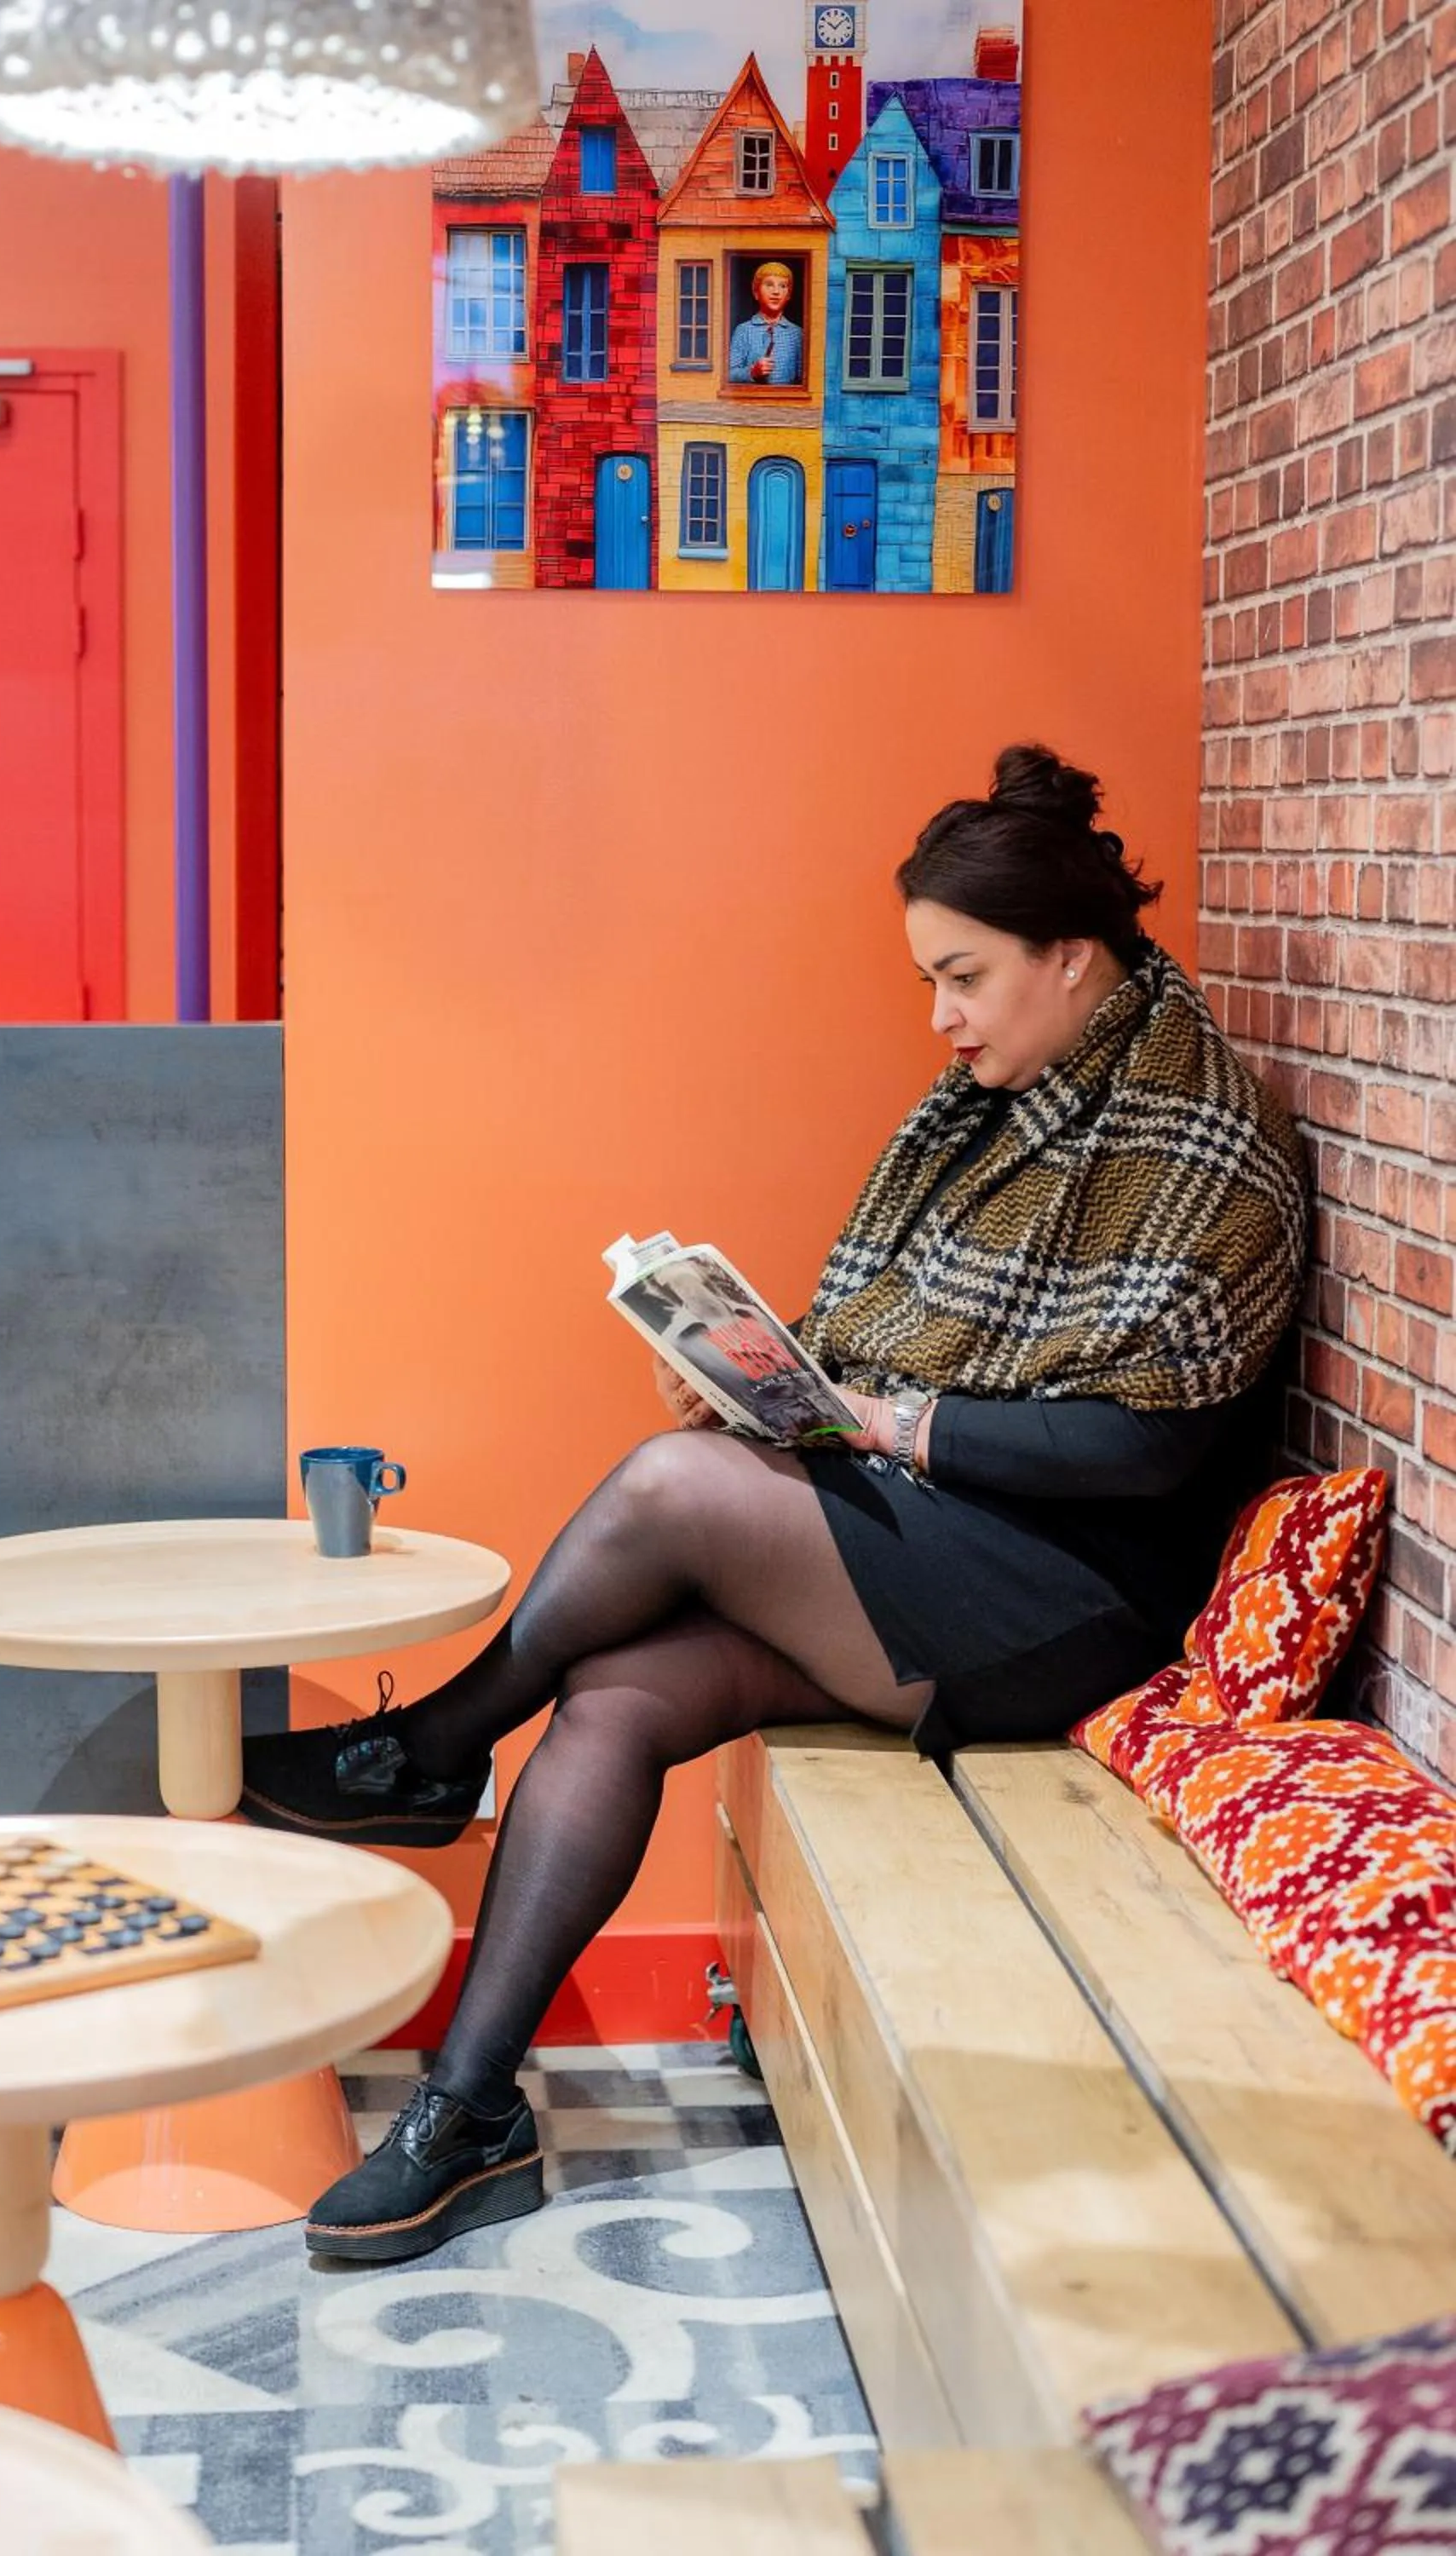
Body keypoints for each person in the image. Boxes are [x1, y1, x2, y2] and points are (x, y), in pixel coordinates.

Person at [239, 744, 1309, 2268]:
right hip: (941, 1552)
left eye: (962, 977)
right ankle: (467, 2116)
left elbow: (1141, 1459)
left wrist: (879, 1419)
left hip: (1073, 1598)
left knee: (678, 1491)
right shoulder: (1003, 1110)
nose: (937, 1018)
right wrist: (773, 1385)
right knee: (611, 1695)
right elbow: (898, 1351)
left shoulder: (1202, 1144)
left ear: (1071, 962)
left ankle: (432, 1744)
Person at [728, 262, 803, 385]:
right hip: (753, 400)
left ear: (788, 295)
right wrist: (752, 372)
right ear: (756, 292)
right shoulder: (743, 330)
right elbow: (729, 374)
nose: (776, 292)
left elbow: (804, 378)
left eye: (783, 286)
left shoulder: (797, 334)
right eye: (769, 285)